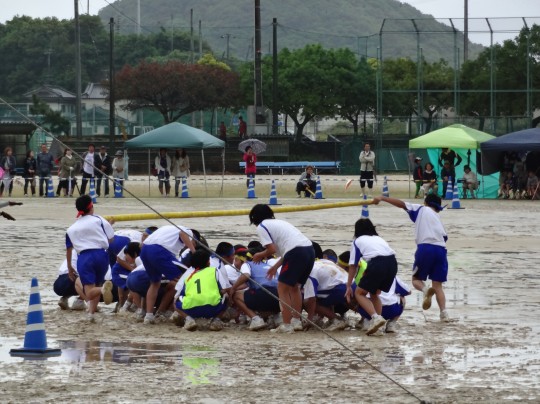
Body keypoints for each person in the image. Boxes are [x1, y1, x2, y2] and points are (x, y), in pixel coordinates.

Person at [373, 193, 451, 322]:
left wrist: (382, 198)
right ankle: (444, 313)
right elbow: (445, 237)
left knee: (416, 279)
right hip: (441, 250)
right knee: (438, 285)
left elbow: (401, 204)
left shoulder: (420, 209)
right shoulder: (437, 218)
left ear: (426, 202)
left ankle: (425, 290)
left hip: (425, 247)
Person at [249, 204, 315, 333]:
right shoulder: (279, 223)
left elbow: (272, 250)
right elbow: (286, 252)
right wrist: (275, 267)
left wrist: (260, 255)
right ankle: (296, 322)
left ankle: (286, 324)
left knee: (282, 287)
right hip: (309, 250)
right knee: (295, 287)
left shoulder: (262, 226)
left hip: (296, 252)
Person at [65, 194, 115, 322]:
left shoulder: (71, 229)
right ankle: (91, 314)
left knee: (89, 291)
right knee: (96, 285)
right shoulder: (99, 219)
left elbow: (69, 250)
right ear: (91, 207)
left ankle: (103, 290)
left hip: (85, 257)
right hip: (102, 254)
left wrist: (70, 267)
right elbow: (111, 239)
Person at [345, 218, 399, 335]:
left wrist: (349, 285)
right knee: (374, 293)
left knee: (359, 293)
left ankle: (375, 318)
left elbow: (353, 265)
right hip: (392, 264)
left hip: (377, 263)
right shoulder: (379, 239)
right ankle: (378, 327)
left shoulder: (357, 241)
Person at [140, 224, 196, 324]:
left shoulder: (168, 229)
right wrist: (193, 251)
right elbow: (183, 233)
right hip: (159, 250)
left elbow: (143, 244)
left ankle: (148, 316)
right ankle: (180, 312)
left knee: (155, 283)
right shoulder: (187, 231)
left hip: (145, 250)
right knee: (182, 279)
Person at [175, 249, 229, 331]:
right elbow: (224, 289)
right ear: (208, 262)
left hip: (191, 310)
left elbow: (182, 293)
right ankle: (216, 321)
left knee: (176, 301)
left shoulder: (189, 276)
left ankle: (189, 319)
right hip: (213, 308)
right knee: (226, 296)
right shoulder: (214, 270)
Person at [229, 248, 280, 331]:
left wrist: (233, 289)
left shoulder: (247, 264)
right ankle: (277, 317)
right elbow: (246, 284)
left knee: (236, 295)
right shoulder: (268, 265)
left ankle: (256, 319)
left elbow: (246, 275)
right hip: (278, 298)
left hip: (264, 295)